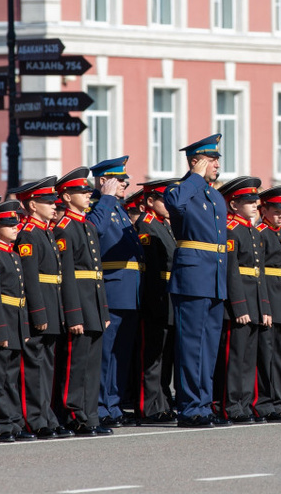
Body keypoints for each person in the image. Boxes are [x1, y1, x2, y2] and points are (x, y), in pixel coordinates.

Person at [165, 134, 228, 428]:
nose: (217, 163)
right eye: (211, 159)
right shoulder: (181, 190)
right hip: (192, 278)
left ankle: (203, 403)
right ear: (196, 162)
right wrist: (194, 176)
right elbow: (174, 204)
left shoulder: (214, 195)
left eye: (216, 159)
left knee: (208, 346)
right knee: (191, 345)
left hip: (213, 277)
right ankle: (190, 407)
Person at [55, 167, 115, 435]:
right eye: (81, 191)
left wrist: (102, 309)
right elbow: (67, 275)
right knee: (76, 364)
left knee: (92, 364)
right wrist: (74, 314)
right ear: (66, 197)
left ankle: (90, 415)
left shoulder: (86, 225)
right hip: (79, 303)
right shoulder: (65, 228)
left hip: (94, 302)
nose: (88, 194)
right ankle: (73, 414)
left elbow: (96, 273)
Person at [12, 176, 68, 439]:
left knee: (47, 366)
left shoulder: (45, 231)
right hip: (41, 306)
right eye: (48, 202)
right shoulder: (28, 233)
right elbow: (30, 278)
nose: (54, 206)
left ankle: (46, 415)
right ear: (32, 205)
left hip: (52, 303)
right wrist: (38, 312)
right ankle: (35, 419)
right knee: (34, 366)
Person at [90, 156, 141, 429]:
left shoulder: (119, 210)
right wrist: (107, 197)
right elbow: (95, 232)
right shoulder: (99, 207)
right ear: (102, 182)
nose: (125, 183)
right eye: (119, 179)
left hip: (128, 291)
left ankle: (114, 403)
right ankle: (101, 405)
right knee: (106, 353)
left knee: (121, 353)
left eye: (124, 179)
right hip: (111, 288)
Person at [216, 177, 270, 424]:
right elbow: (232, 271)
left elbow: (260, 274)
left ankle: (245, 403)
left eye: (255, 201)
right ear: (233, 204)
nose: (254, 205)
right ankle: (231, 405)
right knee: (235, 357)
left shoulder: (252, 231)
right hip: (239, 304)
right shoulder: (231, 230)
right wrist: (239, 305)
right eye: (248, 201)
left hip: (255, 301)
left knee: (249, 358)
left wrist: (264, 306)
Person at [0, 200, 33, 441]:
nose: (15, 227)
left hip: (16, 321)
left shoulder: (11, 255)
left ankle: (13, 421)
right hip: (3, 323)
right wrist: (0, 330)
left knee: (11, 377)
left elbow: (19, 296)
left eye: (15, 223)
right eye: (8, 224)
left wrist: (23, 327)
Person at [132, 179, 177, 424]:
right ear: (150, 201)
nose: (169, 204)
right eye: (164, 199)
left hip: (167, 295)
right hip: (156, 297)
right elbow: (150, 272)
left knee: (165, 354)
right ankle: (148, 406)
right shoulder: (147, 226)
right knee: (151, 356)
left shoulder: (163, 224)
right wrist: (153, 303)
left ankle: (162, 401)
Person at [255, 185, 281, 420]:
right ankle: (265, 401)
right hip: (269, 298)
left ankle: (279, 400)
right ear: (265, 210)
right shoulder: (260, 233)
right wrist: (264, 306)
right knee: (267, 354)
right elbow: (260, 273)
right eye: (277, 211)